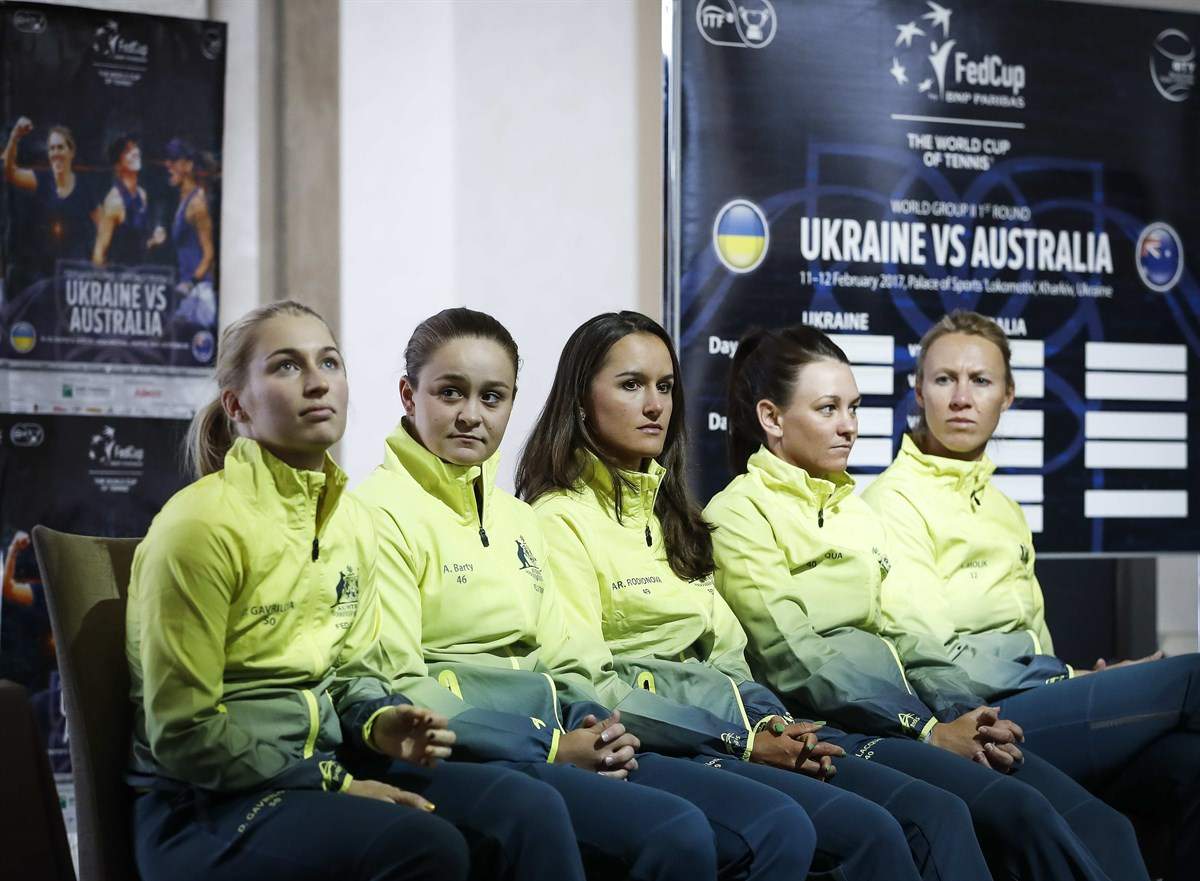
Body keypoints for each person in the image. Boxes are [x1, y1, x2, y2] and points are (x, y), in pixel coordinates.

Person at [518, 311, 1001, 881]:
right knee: (814, 828)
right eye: (631, 385)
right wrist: (742, 738)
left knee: (907, 820)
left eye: (665, 387)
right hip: (654, 743)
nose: (654, 405)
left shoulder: (674, 513)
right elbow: (589, 684)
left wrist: (767, 725)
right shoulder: (557, 519)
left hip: (735, 732)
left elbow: (728, 654)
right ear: (580, 399)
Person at [128, 300, 587, 881]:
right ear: (237, 405)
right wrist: (333, 781)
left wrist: (381, 722)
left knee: (525, 809)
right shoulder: (199, 527)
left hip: (321, 769)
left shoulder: (350, 522)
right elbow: (184, 734)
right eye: (287, 366)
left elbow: (354, 675)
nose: (318, 382)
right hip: (205, 803)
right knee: (424, 846)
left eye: (329, 362)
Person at [354, 307, 818, 881]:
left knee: (769, 824)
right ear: (408, 395)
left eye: (493, 397)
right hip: (461, 750)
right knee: (677, 832)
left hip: (561, 735)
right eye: (451, 393)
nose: (472, 415)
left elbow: (569, 663)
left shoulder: (517, 520)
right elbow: (399, 683)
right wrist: (550, 745)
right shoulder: (376, 515)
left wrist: (597, 728)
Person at [704, 322, 1151, 881]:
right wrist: (925, 728)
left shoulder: (854, 512)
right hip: (838, 727)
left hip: (910, 714)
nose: (848, 426)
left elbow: (906, 636)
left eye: (853, 408)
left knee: (1101, 822)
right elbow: (793, 656)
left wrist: (964, 714)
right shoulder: (737, 515)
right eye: (827, 409)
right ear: (772, 419)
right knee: (1007, 812)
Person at [861, 308, 1200, 881]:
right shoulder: (891, 504)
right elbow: (930, 657)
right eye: (944, 379)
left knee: (1191, 765)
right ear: (918, 392)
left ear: (1008, 396)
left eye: (980, 380)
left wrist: (1078, 680)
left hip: (1047, 702)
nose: (961, 398)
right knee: (1191, 677)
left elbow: (1035, 643)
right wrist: (1075, 681)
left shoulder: (1006, 509)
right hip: (984, 719)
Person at [3, 117, 96, 276]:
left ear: (71, 152)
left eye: (60, 147)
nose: (55, 153)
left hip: (75, 273)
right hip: (44, 273)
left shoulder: (84, 187)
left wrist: (95, 266)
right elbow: (9, 172)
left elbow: (102, 228)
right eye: (52, 149)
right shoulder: (41, 180)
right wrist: (15, 136)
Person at [164, 137, 216, 328]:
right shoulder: (182, 199)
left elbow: (209, 253)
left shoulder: (197, 204)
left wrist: (191, 283)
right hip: (187, 294)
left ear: (188, 165)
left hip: (198, 295)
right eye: (167, 160)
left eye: (174, 160)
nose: (168, 165)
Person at [93, 135, 164, 267]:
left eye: (135, 148)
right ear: (118, 165)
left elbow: (136, 247)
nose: (135, 152)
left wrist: (154, 240)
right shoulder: (114, 201)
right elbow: (98, 253)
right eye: (127, 151)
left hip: (140, 273)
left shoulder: (142, 194)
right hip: (120, 276)